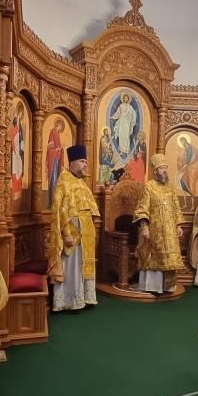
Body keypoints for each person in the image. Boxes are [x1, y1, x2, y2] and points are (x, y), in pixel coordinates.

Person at [47, 144, 100, 311]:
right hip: (73, 233)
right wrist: (66, 233)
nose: (86, 165)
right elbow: (60, 211)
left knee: (83, 264)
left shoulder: (82, 183)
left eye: (86, 162)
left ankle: (84, 298)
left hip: (86, 232)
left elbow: (91, 208)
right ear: (72, 162)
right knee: (72, 266)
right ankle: (68, 301)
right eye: (82, 161)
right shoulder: (64, 182)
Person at [133, 153, 186, 293]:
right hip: (154, 230)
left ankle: (168, 287)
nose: (164, 171)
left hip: (170, 230)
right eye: (162, 168)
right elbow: (142, 209)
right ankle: (153, 287)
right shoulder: (149, 187)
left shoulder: (170, 187)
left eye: (165, 168)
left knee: (169, 256)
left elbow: (176, 206)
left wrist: (179, 225)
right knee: (154, 256)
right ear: (155, 170)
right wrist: (144, 227)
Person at [46, 118, 65, 207]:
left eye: (61, 127)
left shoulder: (57, 134)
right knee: (53, 179)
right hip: (53, 158)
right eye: (60, 126)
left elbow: (58, 146)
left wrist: (61, 149)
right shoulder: (53, 132)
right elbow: (50, 146)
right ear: (57, 125)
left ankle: (56, 202)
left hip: (57, 158)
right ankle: (52, 202)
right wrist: (57, 149)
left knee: (57, 179)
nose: (60, 128)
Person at [110, 93, 137, 158]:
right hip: (121, 122)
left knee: (126, 136)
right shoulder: (121, 106)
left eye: (127, 98)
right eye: (125, 98)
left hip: (127, 123)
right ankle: (121, 151)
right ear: (123, 99)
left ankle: (126, 151)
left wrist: (130, 117)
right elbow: (117, 113)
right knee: (121, 136)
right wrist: (113, 117)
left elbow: (134, 115)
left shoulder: (130, 107)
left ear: (128, 99)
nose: (126, 99)